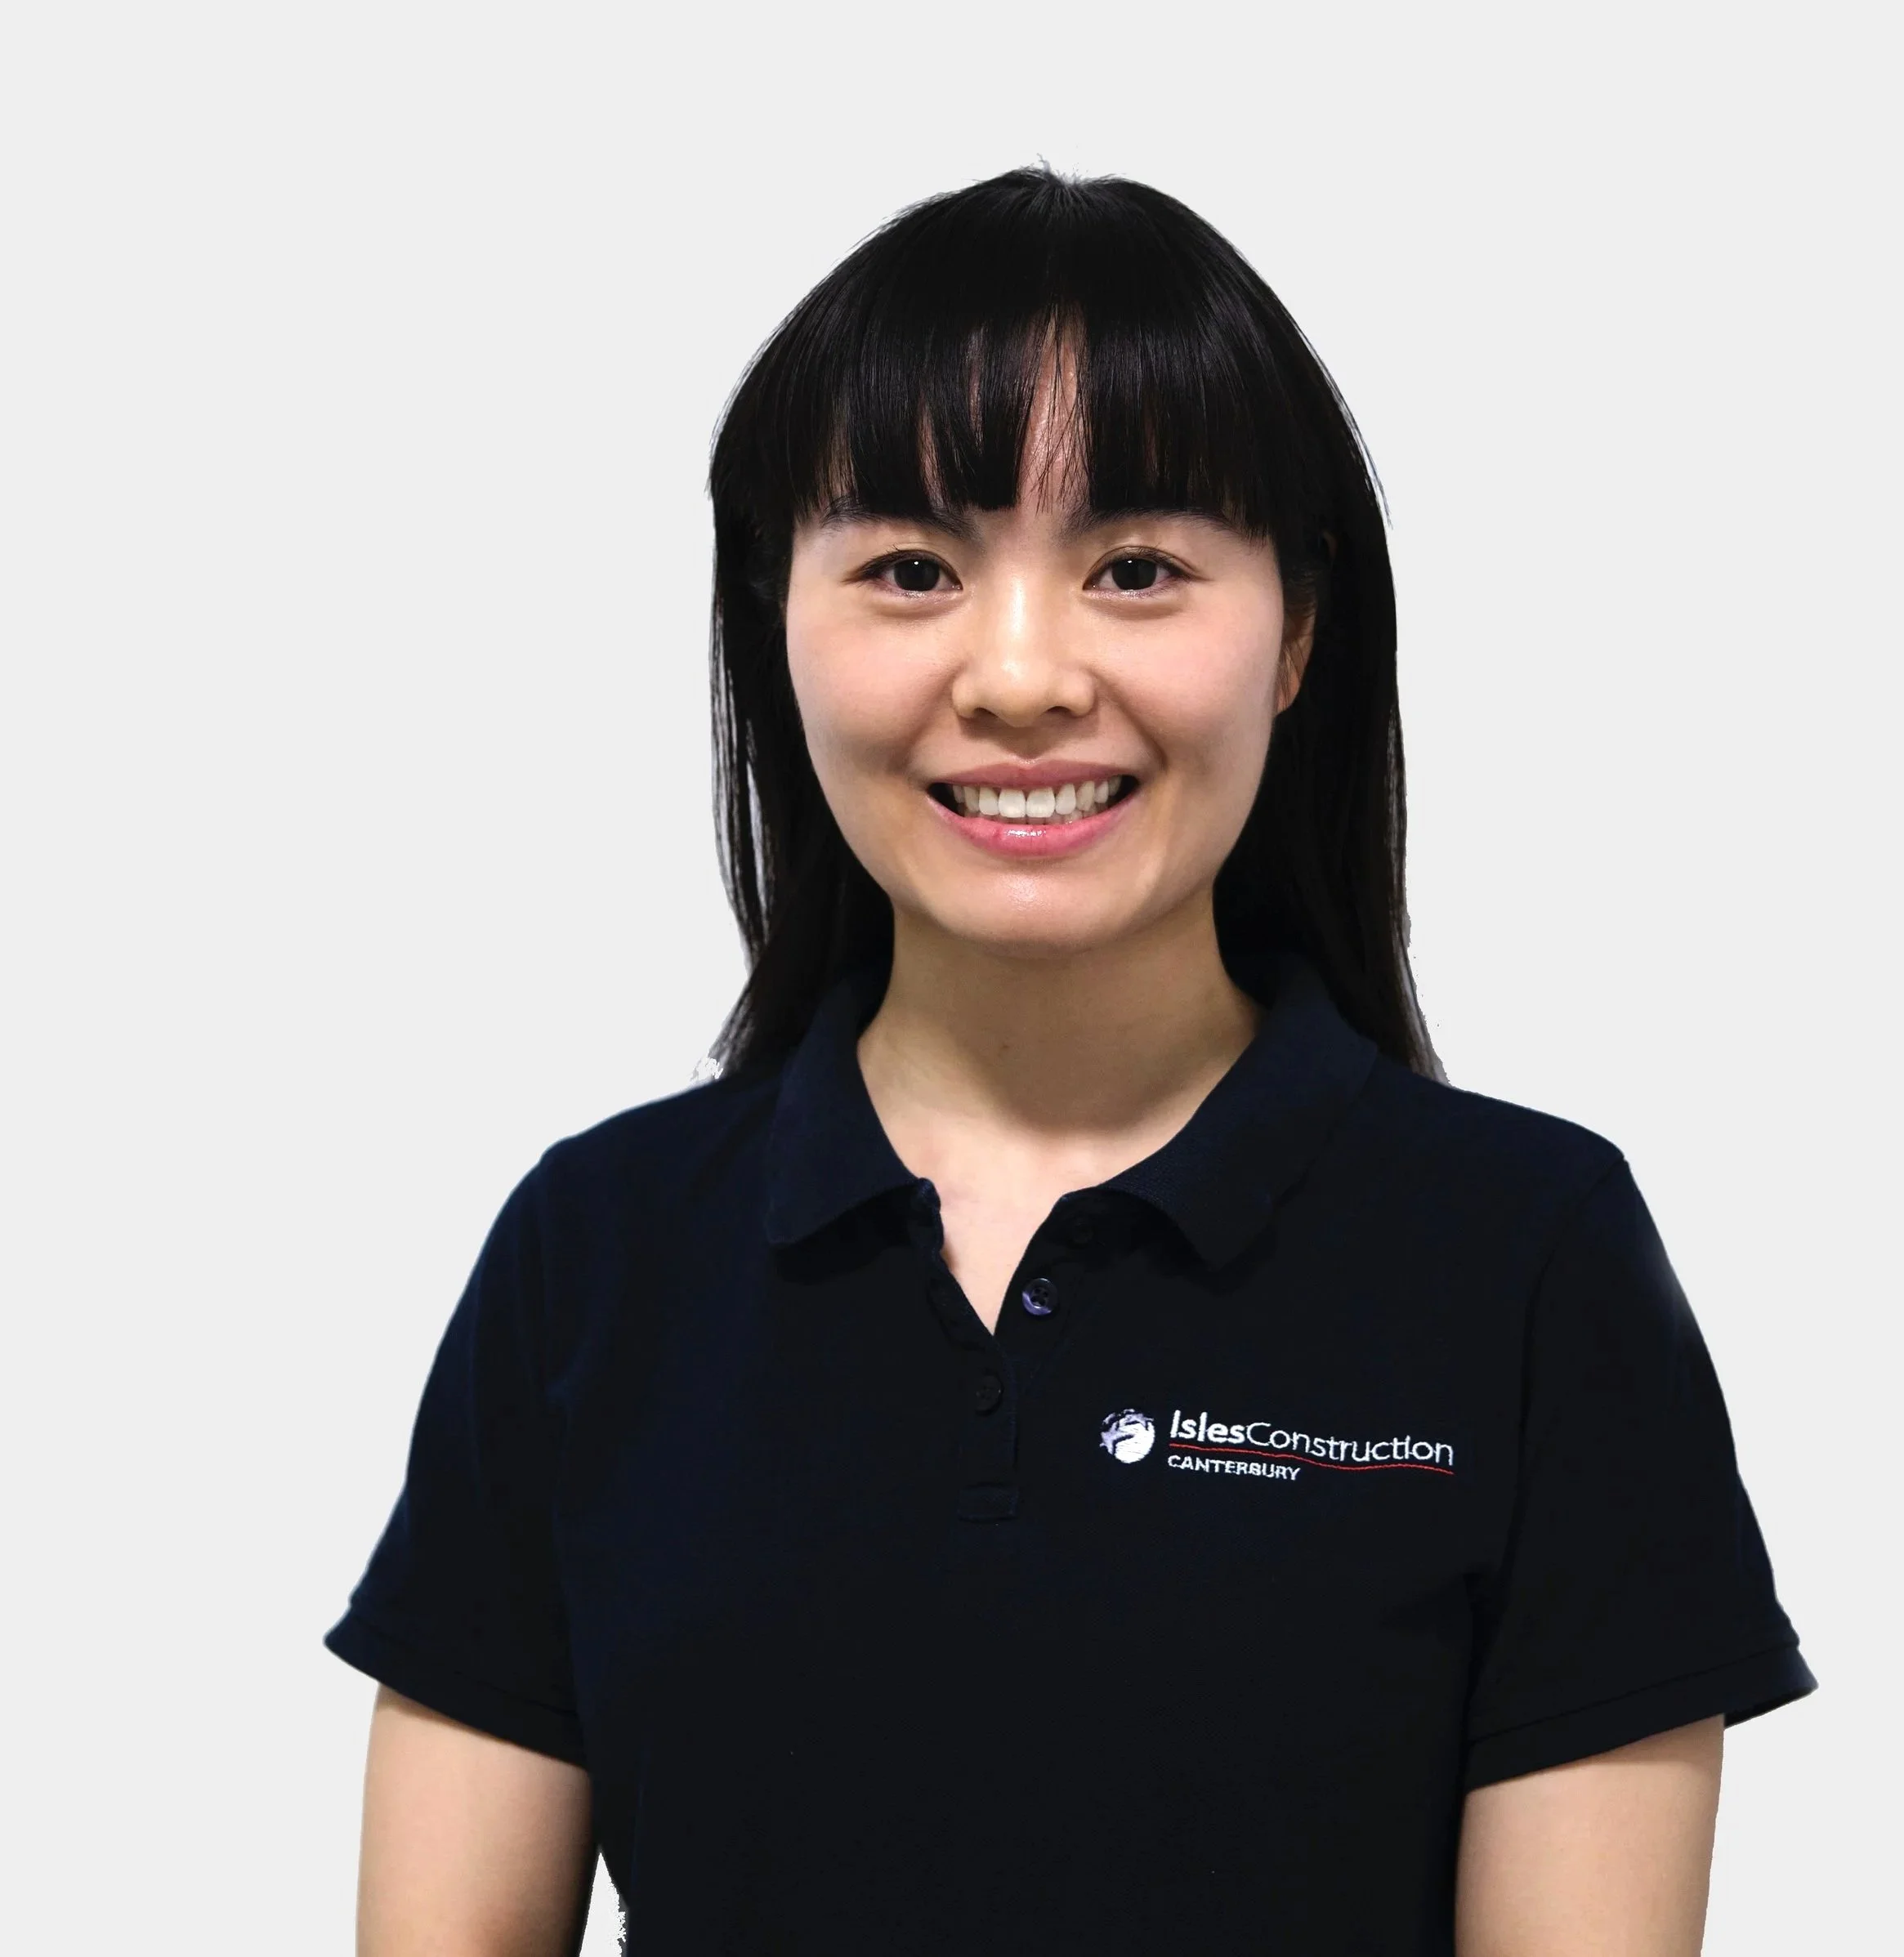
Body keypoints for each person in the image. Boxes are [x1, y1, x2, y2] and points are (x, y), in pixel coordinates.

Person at [326, 166, 1814, 1956]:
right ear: (771, 619)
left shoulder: (1526, 1257)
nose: (1020, 676)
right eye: (909, 570)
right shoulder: (595, 1254)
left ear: (1299, 631)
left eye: (1136, 569)